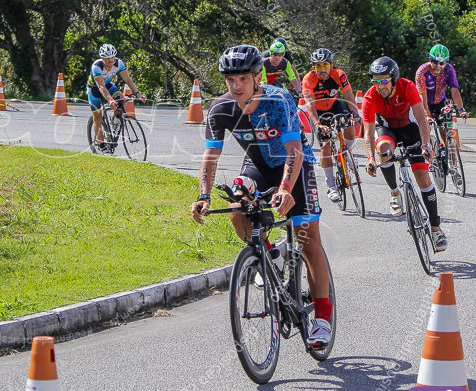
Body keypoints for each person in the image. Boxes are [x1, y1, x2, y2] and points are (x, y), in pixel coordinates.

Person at [190, 44, 333, 347]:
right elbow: (210, 156)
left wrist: (285, 188)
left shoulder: (277, 99)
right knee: (236, 205)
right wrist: (203, 195)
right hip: (256, 166)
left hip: (295, 166)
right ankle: (270, 254)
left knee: (308, 240)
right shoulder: (220, 109)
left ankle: (322, 318)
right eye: (230, 80)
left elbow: (294, 150)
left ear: (257, 76)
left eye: (242, 78)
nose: (236, 86)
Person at [361, 56, 448, 251]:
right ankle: (394, 193)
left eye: (384, 80)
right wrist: (369, 158)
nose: (380, 85)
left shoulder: (407, 86)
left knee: (423, 178)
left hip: (410, 129)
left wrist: (426, 144)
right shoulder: (370, 97)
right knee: (383, 149)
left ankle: (435, 230)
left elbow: (420, 117)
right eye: (376, 80)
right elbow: (367, 133)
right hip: (387, 130)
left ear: (393, 78)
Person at [301, 48, 360, 204]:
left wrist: (354, 113)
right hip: (318, 112)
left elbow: (348, 95)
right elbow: (309, 105)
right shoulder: (308, 79)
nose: (322, 69)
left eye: (325, 65)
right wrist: (317, 124)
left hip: (334, 105)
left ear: (331, 65)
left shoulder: (339, 74)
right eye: (318, 66)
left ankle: (347, 155)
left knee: (349, 126)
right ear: (314, 67)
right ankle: (331, 186)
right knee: (326, 145)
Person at [87, 44, 146, 154]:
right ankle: (102, 145)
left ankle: (115, 120)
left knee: (121, 99)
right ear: (102, 58)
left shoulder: (118, 63)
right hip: (94, 89)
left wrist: (138, 93)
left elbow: (127, 79)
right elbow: (101, 86)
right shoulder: (97, 66)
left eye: (112, 57)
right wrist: (110, 100)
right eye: (108, 58)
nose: (111, 60)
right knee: (98, 116)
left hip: (108, 85)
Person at [414, 44, 469, 147]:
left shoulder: (449, 69)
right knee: (426, 127)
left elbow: (455, 91)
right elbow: (422, 95)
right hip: (425, 103)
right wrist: (427, 114)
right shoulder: (422, 71)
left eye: (442, 63)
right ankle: (431, 153)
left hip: (441, 101)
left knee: (448, 132)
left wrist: (461, 110)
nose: (438, 66)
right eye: (435, 62)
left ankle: (453, 159)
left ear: (446, 63)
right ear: (430, 60)